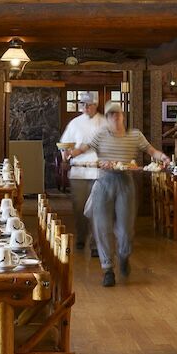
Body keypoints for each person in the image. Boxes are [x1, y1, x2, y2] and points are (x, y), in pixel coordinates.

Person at [72, 100, 167, 287]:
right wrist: (70, 153)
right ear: (106, 118)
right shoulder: (100, 134)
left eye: (117, 114)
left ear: (123, 116)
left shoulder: (134, 135)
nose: (114, 117)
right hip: (103, 182)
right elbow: (84, 148)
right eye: (110, 115)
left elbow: (150, 150)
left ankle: (124, 256)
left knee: (125, 229)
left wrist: (162, 157)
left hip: (125, 183)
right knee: (102, 227)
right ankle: (107, 269)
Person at [58, 92, 107, 258]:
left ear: (96, 105)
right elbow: (65, 145)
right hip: (78, 172)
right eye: (83, 104)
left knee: (96, 208)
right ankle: (81, 236)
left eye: (89, 104)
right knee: (79, 208)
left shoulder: (104, 123)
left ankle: (95, 243)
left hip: (98, 172)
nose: (86, 107)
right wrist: (65, 154)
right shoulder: (75, 123)